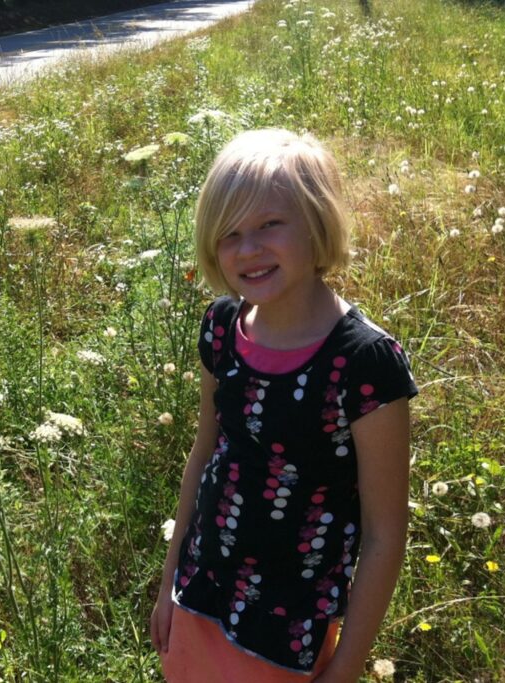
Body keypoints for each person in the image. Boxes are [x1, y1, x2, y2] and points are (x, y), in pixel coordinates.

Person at [150, 128, 418, 682]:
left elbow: (386, 533)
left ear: (317, 221)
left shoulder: (365, 363)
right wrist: (168, 582)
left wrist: (344, 669)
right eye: (229, 233)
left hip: (287, 628)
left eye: (269, 224)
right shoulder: (222, 327)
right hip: (199, 596)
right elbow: (205, 452)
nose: (248, 249)